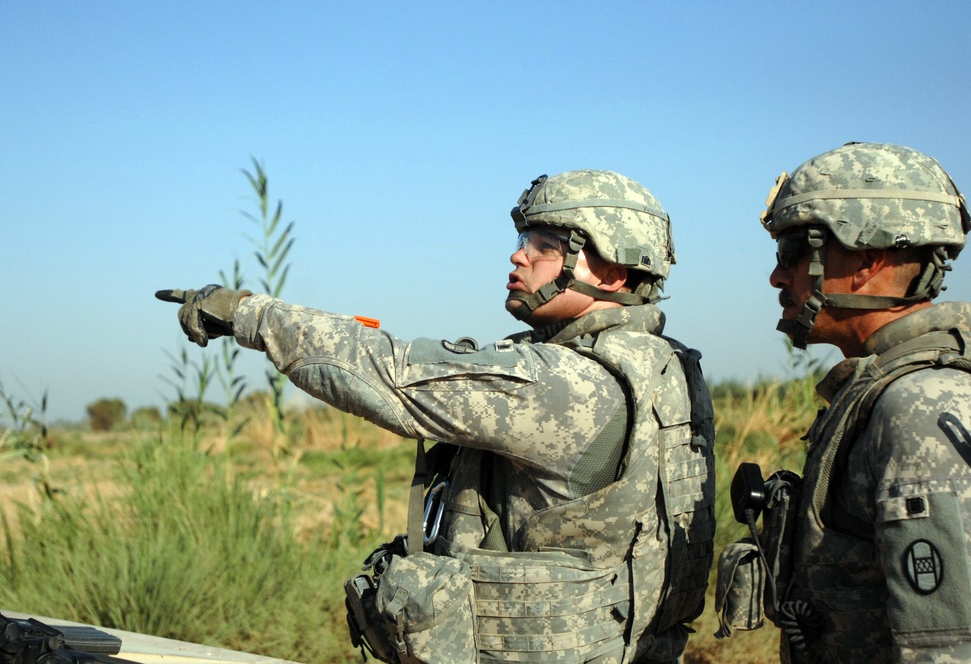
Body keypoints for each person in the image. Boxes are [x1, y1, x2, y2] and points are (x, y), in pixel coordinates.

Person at [157, 170, 715, 663]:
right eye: (523, 240)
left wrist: (250, 314)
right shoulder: (665, 369)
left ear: (613, 272)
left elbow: (391, 374)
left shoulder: (565, 383)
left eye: (544, 245)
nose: (518, 256)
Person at [728, 142, 971, 663]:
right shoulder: (880, 388)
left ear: (865, 261)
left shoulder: (915, 406)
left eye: (794, 253)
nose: (777, 276)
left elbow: (947, 645)